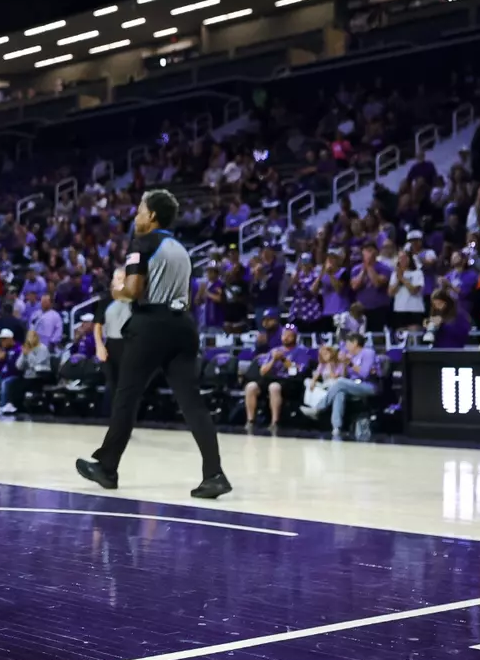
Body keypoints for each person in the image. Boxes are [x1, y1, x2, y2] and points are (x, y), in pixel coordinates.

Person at [75, 190, 229, 500]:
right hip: (183, 326)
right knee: (192, 404)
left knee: (127, 397)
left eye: (140, 211)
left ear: (152, 217)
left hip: (151, 326)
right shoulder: (182, 250)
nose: (136, 216)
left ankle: (107, 467)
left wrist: (117, 290)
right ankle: (214, 474)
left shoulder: (142, 243)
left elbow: (133, 289)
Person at [243, 324, 308, 431]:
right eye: (284, 335)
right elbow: (263, 372)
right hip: (270, 378)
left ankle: (275, 422)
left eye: (289, 335)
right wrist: (273, 360)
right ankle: (250, 421)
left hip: (289, 382)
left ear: (295, 337)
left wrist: (283, 360)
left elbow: (296, 372)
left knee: (274, 387)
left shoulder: (301, 351)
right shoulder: (274, 351)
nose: (286, 337)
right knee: (251, 387)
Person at [387, 250, 426, 332]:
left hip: (415, 309)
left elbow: (414, 291)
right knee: (400, 337)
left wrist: (402, 278)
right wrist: (398, 280)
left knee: (414, 337)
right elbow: (390, 293)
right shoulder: (394, 274)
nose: (403, 259)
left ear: (410, 259)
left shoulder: (418, 273)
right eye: (400, 257)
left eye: (405, 257)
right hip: (399, 309)